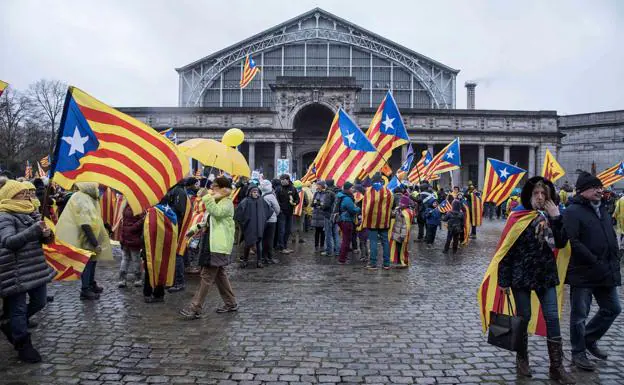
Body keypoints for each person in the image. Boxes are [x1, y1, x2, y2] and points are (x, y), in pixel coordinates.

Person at [498, 177, 575, 384]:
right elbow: (506, 251)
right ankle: (522, 358)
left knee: (552, 318)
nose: (540, 198)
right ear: (529, 196)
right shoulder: (517, 217)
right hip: (520, 276)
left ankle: (556, 367)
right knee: (524, 318)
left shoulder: (554, 216)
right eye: (536, 194)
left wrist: (557, 218)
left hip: (545, 275)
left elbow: (561, 242)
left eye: (544, 194)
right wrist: (503, 281)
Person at [563, 172, 621, 371]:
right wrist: (593, 259)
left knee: (613, 308)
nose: (599, 190)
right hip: (584, 272)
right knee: (579, 315)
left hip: (606, 271)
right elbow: (573, 241)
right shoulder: (572, 211)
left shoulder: (603, 208)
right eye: (595, 187)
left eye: (600, 187)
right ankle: (578, 352)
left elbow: (609, 235)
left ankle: (589, 338)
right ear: (582, 190)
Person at [0, 179, 56, 363]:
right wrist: (33, 230)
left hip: (35, 268)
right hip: (15, 270)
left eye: (27, 193)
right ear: (10, 195)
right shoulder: (5, 216)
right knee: (18, 309)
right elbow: (9, 242)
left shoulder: (31, 212)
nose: (27, 196)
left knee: (39, 302)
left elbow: (43, 240)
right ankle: (23, 344)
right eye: (22, 193)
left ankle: (11, 325)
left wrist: (47, 235)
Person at [179, 176, 238, 319]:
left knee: (206, 276)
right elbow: (206, 220)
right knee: (219, 275)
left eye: (215, 186)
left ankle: (195, 308)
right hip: (210, 243)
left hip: (217, 245)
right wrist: (193, 229)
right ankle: (231, 303)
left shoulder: (226, 202)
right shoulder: (216, 200)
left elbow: (217, 213)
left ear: (223, 187)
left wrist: (206, 197)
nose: (212, 188)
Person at [56, 182, 112, 300]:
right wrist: (94, 242)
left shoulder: (88, 197)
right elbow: (85, 223)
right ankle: (85, 289)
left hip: (92, 235)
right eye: (97, 187)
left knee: (93, 260)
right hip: (85, 237)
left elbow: (94, 217)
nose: (98, 189)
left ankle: (91, 284)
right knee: (87, 262)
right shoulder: (82, 198)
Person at [235, 185, 273, 268]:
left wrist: (263, 220)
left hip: (259, 226)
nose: (256, 194)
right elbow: (239, 212)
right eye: (254, 192)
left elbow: (269, 211)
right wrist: (244, 222)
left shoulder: (261, 201)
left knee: (259, 243)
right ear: (250, 193)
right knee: (248, 243)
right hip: (249, 226)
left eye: (257, 192)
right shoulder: (246, 201)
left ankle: (259, 261)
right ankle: (245, 260)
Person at [363, 174, 394, 270]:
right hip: (384, 221)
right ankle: (386, 263)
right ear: (381, 180)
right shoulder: (388, 192)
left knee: (373, 242)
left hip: (372, 222)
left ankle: (373, 263)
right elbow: (392, 206)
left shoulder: (368, 191)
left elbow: (365, 206)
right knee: (385, 242)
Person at [118, 203, 145, 288]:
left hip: (125, 236)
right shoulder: (137, 208)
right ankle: (138, 279)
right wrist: (144, 218)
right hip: (134, 238)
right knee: (136, 259)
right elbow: (138, 224)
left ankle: (122, 279)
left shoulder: (125, 207)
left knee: (125, 259)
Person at [335, 182, 360, 265]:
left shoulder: (341, 196)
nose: (353, 190)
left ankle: (344, 256)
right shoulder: (347, 198)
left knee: (345, 239)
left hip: (343, 220)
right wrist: (358, 209)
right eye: (352, 188)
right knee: (346, 240)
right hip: (346, 220)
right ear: (348, 188)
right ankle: (342, 259)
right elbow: (352, 210)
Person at [275, 174, 299, 254]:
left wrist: (295, 202)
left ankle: (285, 246)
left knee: (288, 230)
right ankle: (281, 247)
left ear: (288, 180)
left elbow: (297, 198)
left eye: (283, 179)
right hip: (281, 213)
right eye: (281, 180)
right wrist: (280, 208)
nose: (282, 181)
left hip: (290, 212)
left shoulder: (293, 188)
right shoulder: (278, 189)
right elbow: (276, 200)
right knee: (281, 230)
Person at [389, 195, 413, 268]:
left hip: (401, 234)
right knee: (398, 248)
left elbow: (405, 226)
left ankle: (401, 262)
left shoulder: (405, 213)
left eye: (401, 204)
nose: (399, 204)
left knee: (401, 249)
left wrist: (403, 235)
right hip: (397, 233)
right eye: (399, 203)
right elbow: (393, 216)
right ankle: (398, 261)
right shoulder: (401, 211)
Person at [260, 179, 280, 265]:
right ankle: (269, 257)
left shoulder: (260, 195)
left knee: (263, 239)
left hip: (262, 220)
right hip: (271, 220)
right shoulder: (271, 196)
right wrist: (275, 215)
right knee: (270, 239)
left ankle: (263, 256)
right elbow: (277, 208)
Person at [321, 179, 340, 257]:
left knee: (328, 234)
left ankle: (329, 251)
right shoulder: (337, 191)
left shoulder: (328, 192)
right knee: (335, 234)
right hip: (336, 215)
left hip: (328, 215)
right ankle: (337, 251)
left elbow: (326, 205)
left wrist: (322, 206)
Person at [311, 181, 327, 252]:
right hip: (316, 215)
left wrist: (321, 204)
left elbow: (326, 204)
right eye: (317, 185)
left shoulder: (326, 194)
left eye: (318, 185)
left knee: (322, 232)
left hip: (322, 214)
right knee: (317, 231)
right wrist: (314, 203)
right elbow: (312, 204)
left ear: (322, 186)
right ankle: (316, 246)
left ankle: (322, 246)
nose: (317, 186)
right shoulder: (316, 193)